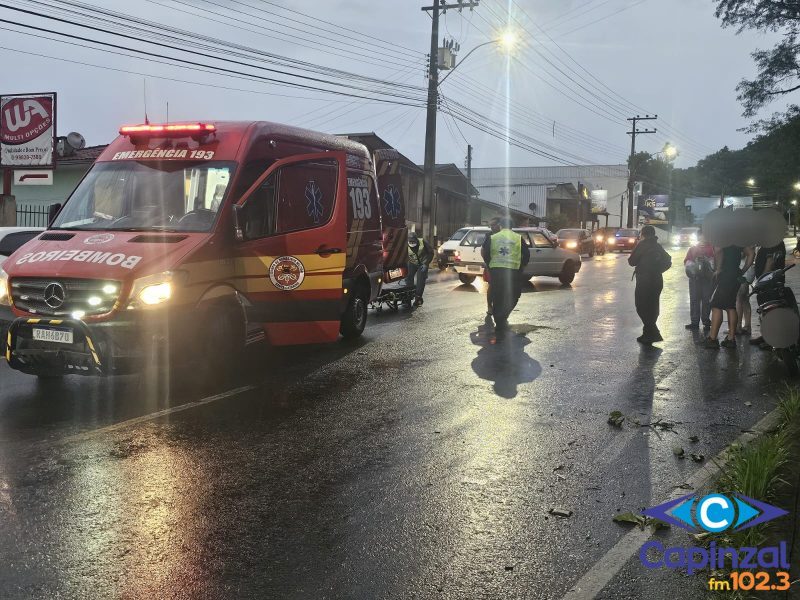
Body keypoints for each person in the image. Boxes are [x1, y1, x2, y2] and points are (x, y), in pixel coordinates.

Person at [481, 217, 530, 337]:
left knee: (497, 295)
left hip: (496, 271)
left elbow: (486, 253)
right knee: (514, 295)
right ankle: (503, 316)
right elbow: (527, 255)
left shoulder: (493, 237)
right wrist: (521, 266)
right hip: (513, 272)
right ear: (512, 226)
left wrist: (490, 266)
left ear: (500, 226)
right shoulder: (518, 238)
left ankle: (499, 320)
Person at [704, 244, 754, 349]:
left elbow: (718, 250)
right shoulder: (738, 239)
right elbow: (751, 253)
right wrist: (742, 270)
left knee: (716, 306)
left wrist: (718, 269)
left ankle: (712, 339)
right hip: (735, 275)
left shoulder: (723, 237)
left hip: (725, 275)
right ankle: (731, 339)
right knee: (730, 306)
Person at [628, 225, 672, 345]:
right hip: (657, 280)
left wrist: (636, 247)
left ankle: (653, 332)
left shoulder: (642, 245)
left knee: (641, 306)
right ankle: (648, 333)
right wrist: (658, 270)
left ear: (643, 234)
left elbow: (631, 262)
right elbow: (668, 260)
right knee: (653, 306)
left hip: (644, 281)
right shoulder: (658, 246)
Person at [750, 240, 787, 347]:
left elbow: (770, 263)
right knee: (766, 311)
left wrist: (761, 281)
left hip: (769, 282)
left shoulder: (771, 244)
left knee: (770, 310)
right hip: (772, 281)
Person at [683, 229, 715, 331]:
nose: (704, 237)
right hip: (695, 279)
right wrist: (692, 267)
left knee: (707, 300)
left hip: (708, 279)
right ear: (699, 236)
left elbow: (716, 262)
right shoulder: (693, 249)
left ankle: (706, 321)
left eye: (706, 235)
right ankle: (694, 322)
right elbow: (687, 261)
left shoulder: (713, 248)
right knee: (694, 300)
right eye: (702, 235)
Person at [406, 231, 433, 307]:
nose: (412, 243)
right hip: (412, 263)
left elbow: (431, 253)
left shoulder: (423, 242)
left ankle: (418, 298)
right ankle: (407, 297)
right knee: (408, 278)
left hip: (422, 264)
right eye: (410, 242)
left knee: (420, 280)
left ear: (416, 240)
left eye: (413, 241)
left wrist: (426, 263)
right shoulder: (405, 244)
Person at [735, 247, 756, 335]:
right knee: (745, 300)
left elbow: (748, 253)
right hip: (748, 273)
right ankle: (747, 326)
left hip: (742, 272)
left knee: (738, 300)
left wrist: (742, 270)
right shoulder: (746, 239)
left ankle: (738, 327)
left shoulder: (740, 242)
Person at [484, 218, 502, 316]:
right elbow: (484, 251)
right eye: (491, 225)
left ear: (499, 224)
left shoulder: (505, 235)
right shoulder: (489, 235)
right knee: (492, 286)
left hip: (504, 265)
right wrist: (488, 264)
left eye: (494, 224)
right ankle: (489, 306)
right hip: (492, 265)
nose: (492, 227)